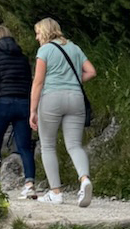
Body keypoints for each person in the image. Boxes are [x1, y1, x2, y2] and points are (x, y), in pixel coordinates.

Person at [29, 18, 95, 207]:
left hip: (51, 98)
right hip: (75, 98)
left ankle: (56, 192)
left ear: (45, 32)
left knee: (48, 146)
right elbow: (91, 71)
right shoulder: (74, 47)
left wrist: (32, 110)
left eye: (38, 33)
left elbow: (38, 82)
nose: (36, 37)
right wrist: (73, 82)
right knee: (74, 145)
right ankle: (84, 180)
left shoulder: (45, 50)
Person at [0, 25, 37, 198]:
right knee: (25, 146)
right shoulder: (22, 57)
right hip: (23, 104)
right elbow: (30, 83)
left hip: (1, 105)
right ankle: (29, 184)